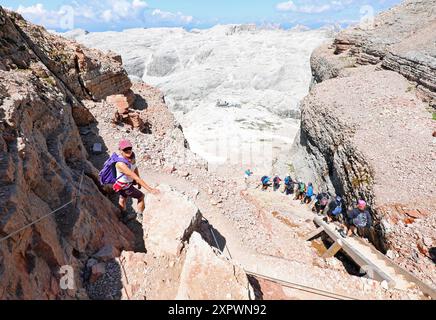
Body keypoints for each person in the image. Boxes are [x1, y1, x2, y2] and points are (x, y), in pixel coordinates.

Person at [113, 139, 160, 221]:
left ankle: (123, 215)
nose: (128, 151)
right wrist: (150, 190)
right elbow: (135, 176)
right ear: (120, 150)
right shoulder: (120, 164)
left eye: (129, 148)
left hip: (123, 184)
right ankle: (139, 215)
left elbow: (135, 168)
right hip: (125, 185)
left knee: (123, 197)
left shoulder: (131, 156)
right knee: (141, 196)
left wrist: (138, 182)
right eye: (125, 149)